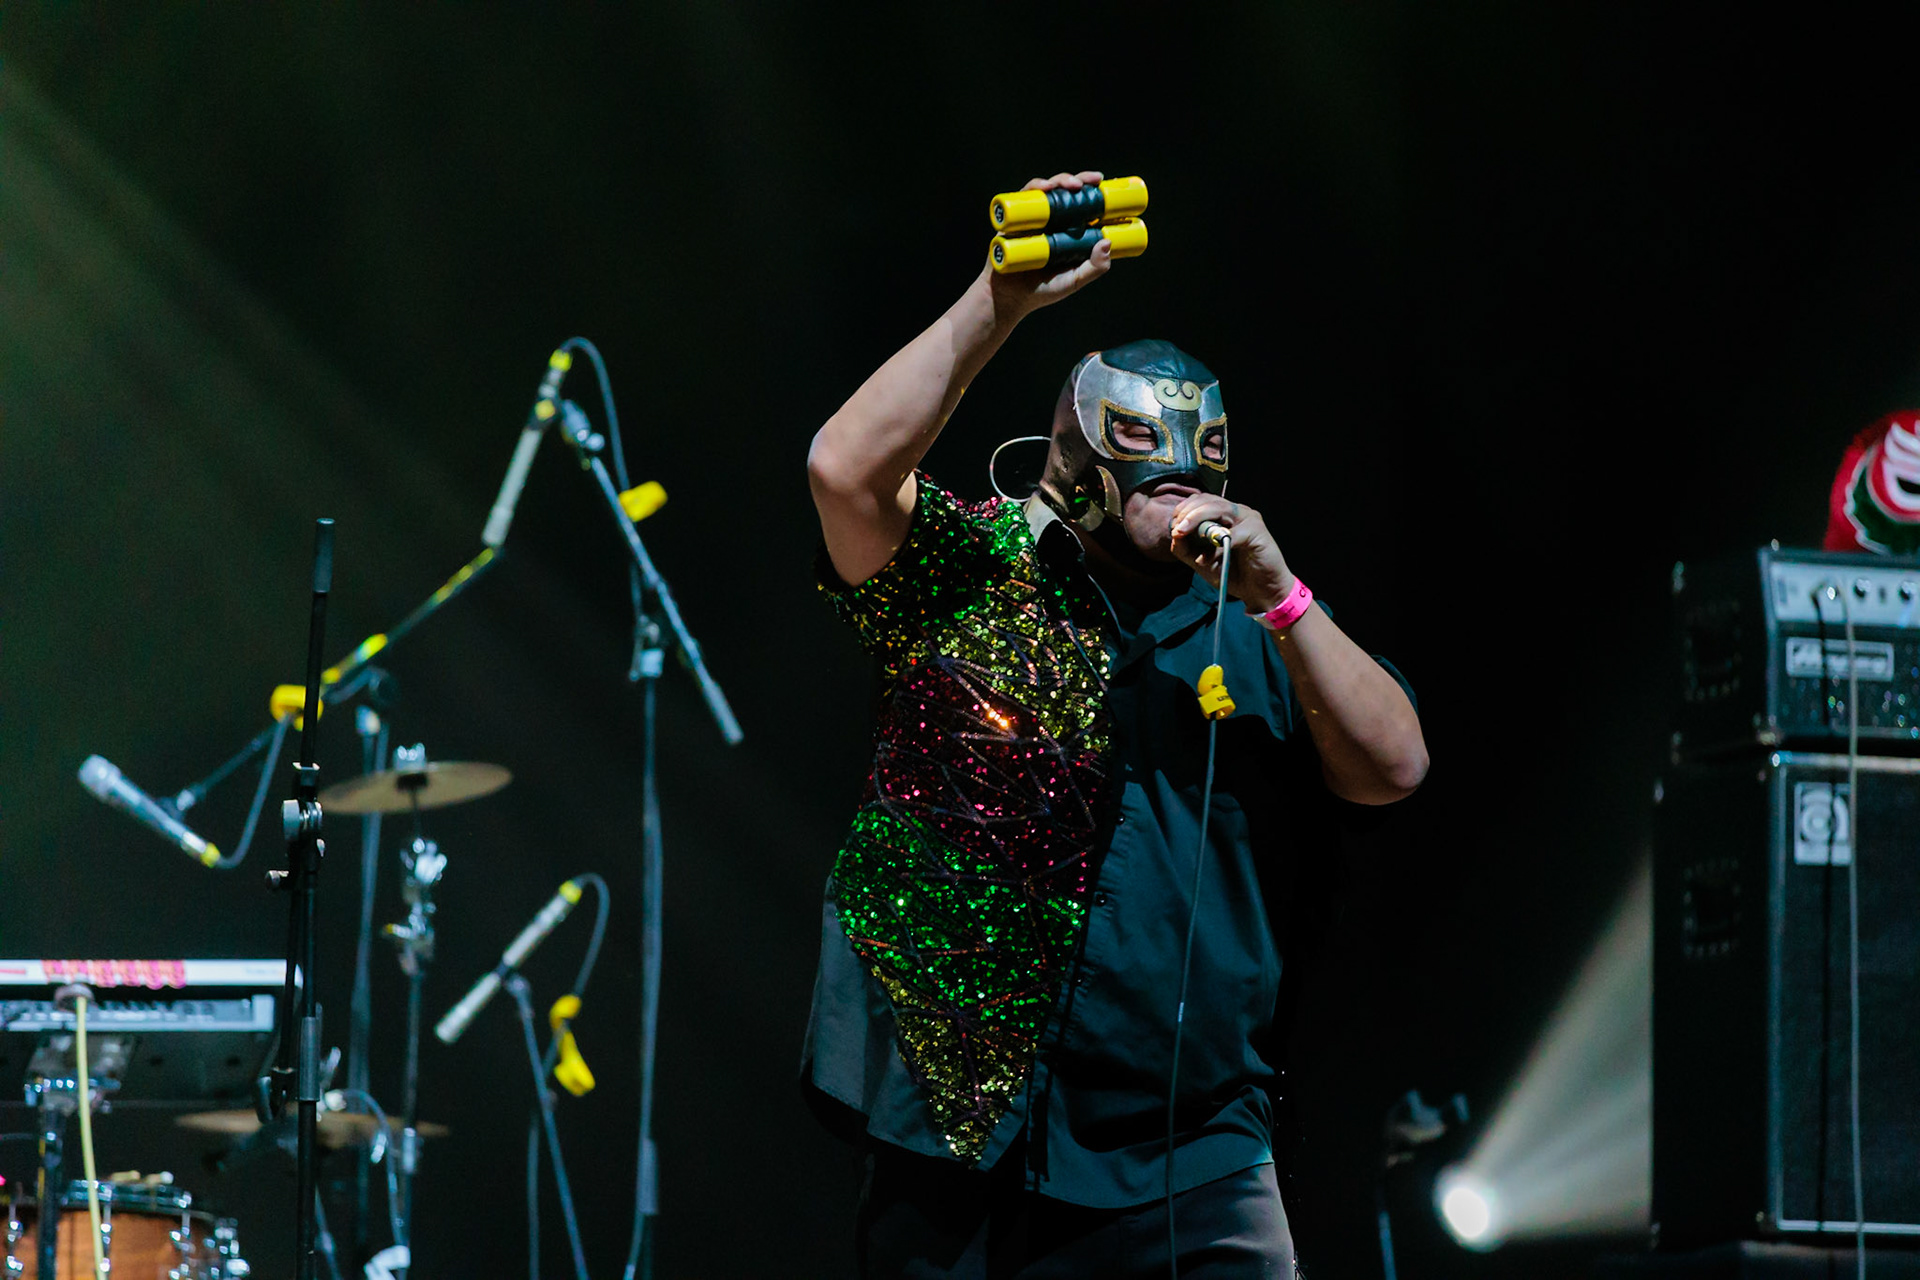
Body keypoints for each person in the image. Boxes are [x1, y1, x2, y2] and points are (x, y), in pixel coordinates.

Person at [802, 169, 1429, 1279]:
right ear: (1081, 463)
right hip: (962, 1134)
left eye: (1200, 468)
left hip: (1192, 1154)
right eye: (1149, 471)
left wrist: (1284, 596)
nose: (1181, 494)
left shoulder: (1255, 619)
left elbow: (1395, 766)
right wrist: (999, 299)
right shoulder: (976, 575)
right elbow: (843, 471)